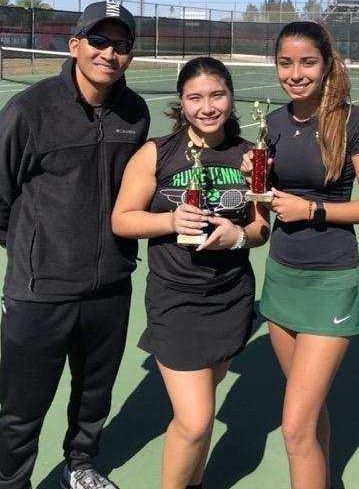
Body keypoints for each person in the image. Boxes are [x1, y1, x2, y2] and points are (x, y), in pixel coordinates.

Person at [0, 1, 150, 489]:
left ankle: (81, 466)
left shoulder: (134, 113)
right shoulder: (30, 109)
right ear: (75, 45)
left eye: (121, 46)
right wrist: (31, 248)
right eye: (98, 41)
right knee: (22, 408)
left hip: (110, 287)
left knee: (94, 397)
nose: (109, 54)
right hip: (40, 291)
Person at [111, 57, 270, 489]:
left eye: (216, 94)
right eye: (195, 97)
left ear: (231, 97)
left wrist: (236, 235)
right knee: (196, 421)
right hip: (176, 301)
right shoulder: (156, 152)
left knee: (205, 404)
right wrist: (169, 222)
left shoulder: (248, 156)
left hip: (231, 297)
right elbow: (122, 219)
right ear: (181, 103)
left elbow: (260, 228)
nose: (207, 106)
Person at [242, 20, 359, 489]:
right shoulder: (275, 124)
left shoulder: (353, 122)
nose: (295, 73)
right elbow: (264, 207)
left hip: (331, 282)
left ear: (326, 66)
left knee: (294, 426)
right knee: (311, 410)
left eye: (307, 62)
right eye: (286, 63)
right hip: (282, 277)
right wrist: (255, 177)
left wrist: (313, 209)